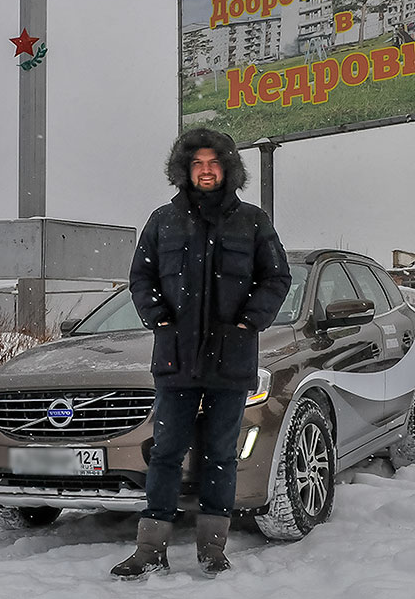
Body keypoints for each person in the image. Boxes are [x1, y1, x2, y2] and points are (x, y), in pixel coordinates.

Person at [110, 127, 291, 580]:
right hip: (175, 358)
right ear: (185, 170)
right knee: (166, 452)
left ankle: (213, 549)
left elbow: (276, 278)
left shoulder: (252, 221)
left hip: (232, 358)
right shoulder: (162, 221)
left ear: (227, 168)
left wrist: (250, 320)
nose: (206, 171)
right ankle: (151, 549)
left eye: (213, 163)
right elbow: (140, 278)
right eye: (197, 164)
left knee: (220, 454)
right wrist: (158, 316)